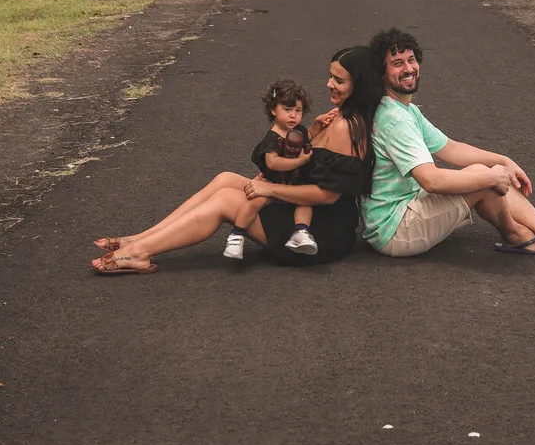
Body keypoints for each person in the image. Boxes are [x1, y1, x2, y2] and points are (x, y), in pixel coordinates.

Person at [90, 46, 381, 274]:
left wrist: (270, 189)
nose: (329, 83)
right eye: (330, 75)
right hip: (298, 208)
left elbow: (327, 196)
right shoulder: (335, 118)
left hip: (318, 231)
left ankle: (140, 253)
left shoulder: (348, 128)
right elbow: (309, 162)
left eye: (339, 80)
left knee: (227, 201)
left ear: (360, 85)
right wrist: (313, 133)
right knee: (226, 179)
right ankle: (140, 239)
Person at [362, 27, 535, 262]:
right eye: (397, 63)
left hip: (401, 211)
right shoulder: (395, 120)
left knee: (485, 170)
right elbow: (432, 181)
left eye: (411, 60)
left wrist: (502, 161)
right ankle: (519, 235)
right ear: (381, 72)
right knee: (484, 177)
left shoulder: (403, 110)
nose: (408, 68)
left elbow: (451, 148)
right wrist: (491, 176)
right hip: (395, 230)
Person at [223, 78, 318, 261]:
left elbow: (309, 137)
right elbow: (273, 163)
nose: (293, 116)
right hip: (272, 182)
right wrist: (299, 162)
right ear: (274, 110)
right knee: (255, 201)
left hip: (294, 182)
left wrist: (318, 126)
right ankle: (237, 235)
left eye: (298, 111)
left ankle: (301, 232)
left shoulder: (299, 130)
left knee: (305, 201)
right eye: (287, 110)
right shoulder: (273, 138)